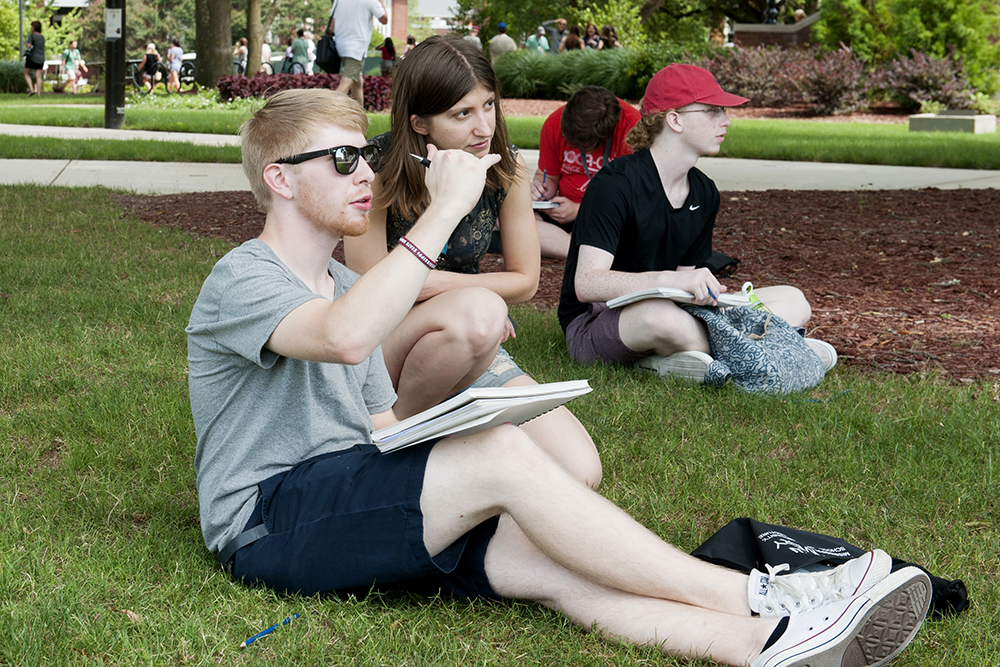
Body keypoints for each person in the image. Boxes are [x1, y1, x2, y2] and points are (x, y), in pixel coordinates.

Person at [187, 86, 931, 667]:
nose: (366, 173)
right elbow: (346, 342)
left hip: (340, 494)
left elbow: (378, 423)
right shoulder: (243, 278)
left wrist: (457, 430)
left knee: (541, 555)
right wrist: (442, 213)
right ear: (280, 180)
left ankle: (768, 643)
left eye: (366, 155)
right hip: (265, 522)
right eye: (342, 160)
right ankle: (776, 593)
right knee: (506, 455)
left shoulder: (343, 287)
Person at [343, 35, 600, 486]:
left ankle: (450, 436)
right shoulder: (378, 168)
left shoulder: (506, 168)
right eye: (462, 114)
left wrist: (454, 295)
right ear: (419, 123)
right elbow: (367, 286)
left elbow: (524, 282)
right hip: (384, 343)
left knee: (581, 471)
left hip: (466, 334)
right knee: (476, 317)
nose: (484, 127)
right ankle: (390, 440)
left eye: (488, 105)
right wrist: (479, 300)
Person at [557, 64, 838, 382]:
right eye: (712, 111)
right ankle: (779, 349)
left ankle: (702, 356)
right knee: (660, 320)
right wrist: (669, 281)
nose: (726, 120)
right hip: (599, 320)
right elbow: (587, 285)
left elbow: (684, 287)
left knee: (793, 300)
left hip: (679, 313)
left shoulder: (705, 192)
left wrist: (698, 291)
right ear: (674, 119)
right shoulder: (615, 184)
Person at [531, 86, 641, 260]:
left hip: (608, 215)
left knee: (630, 228)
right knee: (506, 212)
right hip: (561, 213)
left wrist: (580, 210)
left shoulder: (633, 129)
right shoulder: (555, 123)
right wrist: (542, 190)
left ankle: (555, 243)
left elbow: (636, 199)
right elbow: (548, 176)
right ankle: (580, 249)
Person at [331, 0, 387, 105]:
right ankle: (327, 113)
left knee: (358, 82)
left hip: (340, 46)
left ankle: (359, 115)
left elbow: (332, 26)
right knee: (346, 82)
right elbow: (384, 19)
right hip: (356, 48)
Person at [23, 21, 45, 97]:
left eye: (31, 26)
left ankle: (32, 89)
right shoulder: (42, 37)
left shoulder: (32, 36)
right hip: (41, 58)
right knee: (38, 76)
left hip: (32, 57)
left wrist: (26, 42)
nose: (30, 28)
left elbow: (29, 45)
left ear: (34, 27)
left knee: (26, 73)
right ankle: (38, 93)